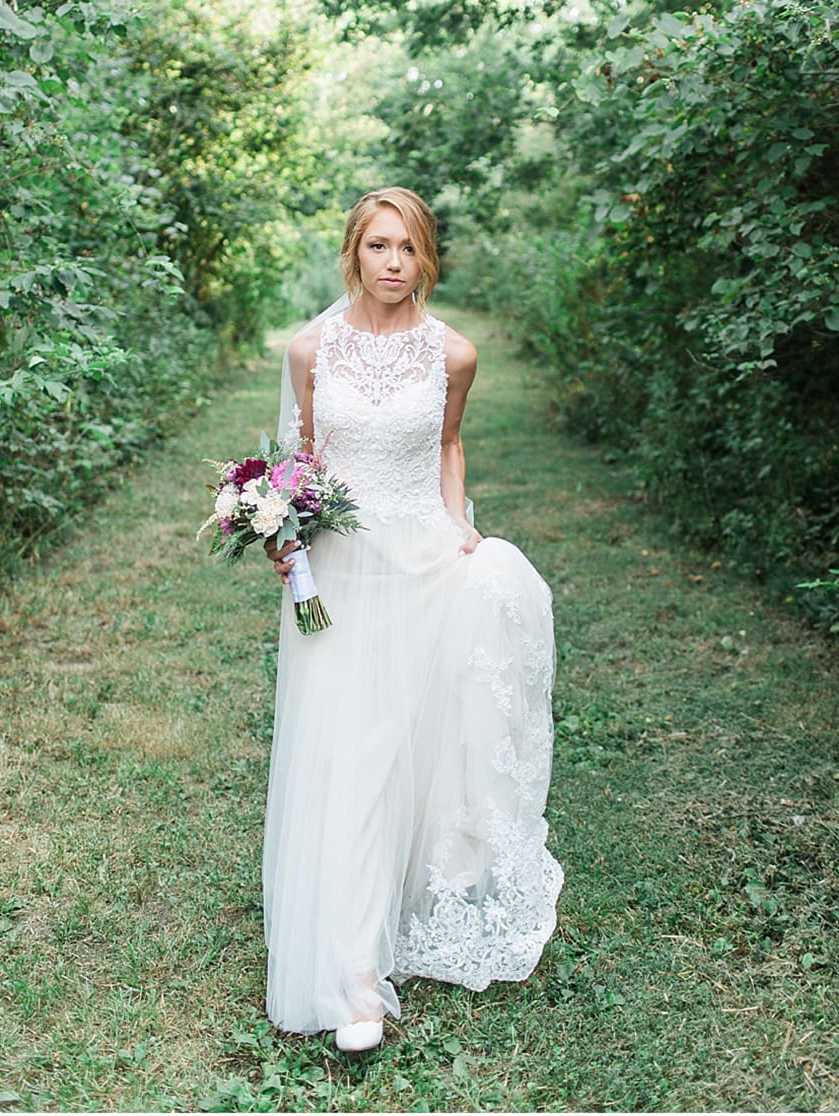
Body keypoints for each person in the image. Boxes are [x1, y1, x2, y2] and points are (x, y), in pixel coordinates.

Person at [259, 186, 561, 1054]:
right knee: (351, 755)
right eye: (378, 246)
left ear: (427, 259)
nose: (394, 263)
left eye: (410, 249)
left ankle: (415, 894)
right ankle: (355, 977)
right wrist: (282, 533)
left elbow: (447, 448)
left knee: (413, 745)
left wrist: (462, 524)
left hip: (427, 562)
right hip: (346, 575)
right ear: (353, 251)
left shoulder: (454, 353)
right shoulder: (309, 349)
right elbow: (304, 462)